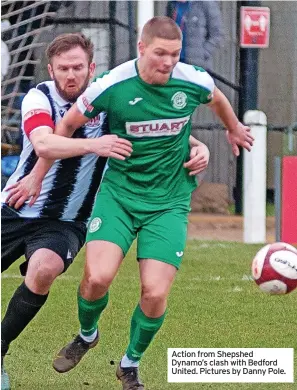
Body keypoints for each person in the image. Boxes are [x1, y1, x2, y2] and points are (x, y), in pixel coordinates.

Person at [8, 17, 253, 390]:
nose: (168, 62)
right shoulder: (65, 94)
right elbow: (51, 139)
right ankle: (87, 334)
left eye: (174, 54)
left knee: (146, 290)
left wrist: (212, 139)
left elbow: (188, 112)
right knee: (97, 278)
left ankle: (126, 363)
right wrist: (42, 174)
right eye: (63, 68)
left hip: (122, 209)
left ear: (91, 68)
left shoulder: (175, 85)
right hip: (64, 201)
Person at [1, 32, 133, 390]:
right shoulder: (39, 97)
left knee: (44, 269)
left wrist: (198, 148)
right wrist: (96, 144)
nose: (71, 75)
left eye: (78, 67)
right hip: (15, 207)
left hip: (67, 220)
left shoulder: (110, 104)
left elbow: (153, 128)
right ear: (51, 69)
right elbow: (43, 141)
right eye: (63, 68)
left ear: (92, 68)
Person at [166, 0, 223, 70]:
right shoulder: (172, 4)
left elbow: (217, 34)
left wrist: (203, 53)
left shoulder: (206, 3)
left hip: (196, 65)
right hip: (174, 62)